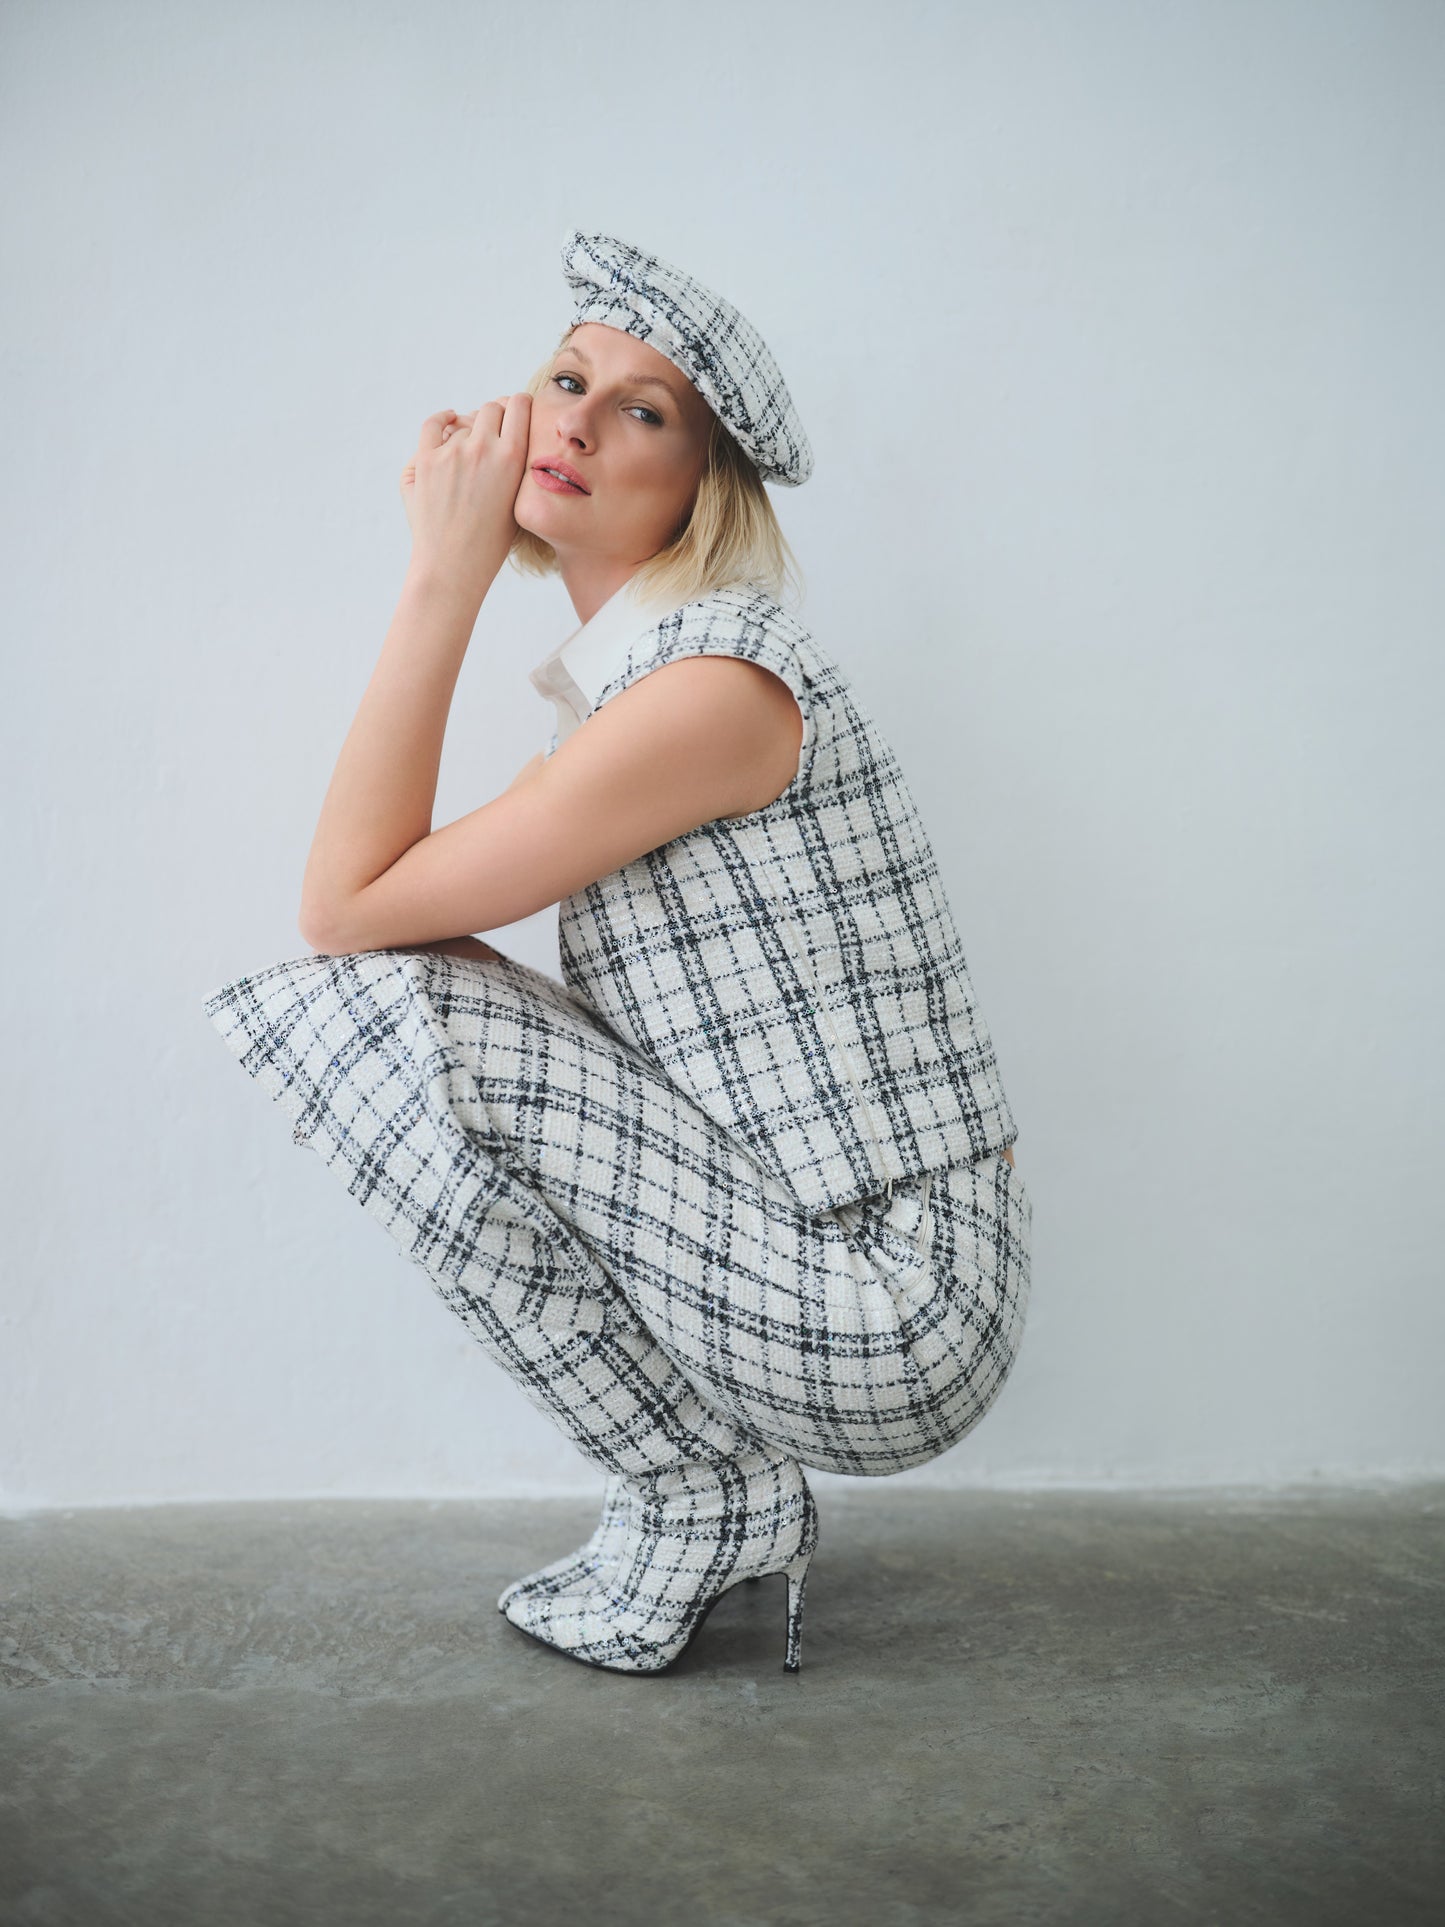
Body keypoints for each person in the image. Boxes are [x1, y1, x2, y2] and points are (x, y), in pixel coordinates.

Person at [201, 229, 1032, 1677]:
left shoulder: (711, 691)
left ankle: (699, 1491)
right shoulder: (643, 684)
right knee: (396, 998)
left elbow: (341, 907)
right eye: (566, 379)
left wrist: (442, 576)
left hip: (896, 1303)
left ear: (702, 487)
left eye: (641, 410)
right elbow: (374, 914)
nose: (576, 423)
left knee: (383, 1005)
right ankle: (702, 1490)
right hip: (815, 1253)